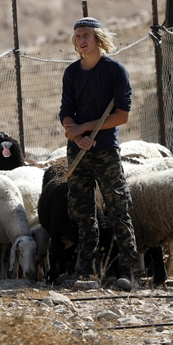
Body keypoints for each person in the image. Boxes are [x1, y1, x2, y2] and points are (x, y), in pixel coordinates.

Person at [59, 16, 140, 291]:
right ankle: (87, 273)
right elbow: (65, 113)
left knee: (118, 210)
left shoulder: (114, 71)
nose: (81, 41)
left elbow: (122, 115)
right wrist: (76, 134)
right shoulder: (71, 73)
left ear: (98, 39)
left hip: (104, 150)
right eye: (78, 36)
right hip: (78, 151)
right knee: (82, 214)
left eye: (86, 36)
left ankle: (130, 273)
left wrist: (85, 128)